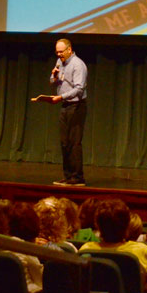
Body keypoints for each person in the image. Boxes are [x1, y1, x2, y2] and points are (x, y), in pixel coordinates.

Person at [49, 38, 88, 187]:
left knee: (74, 142)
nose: (59, 55)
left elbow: (79, 89)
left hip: (77, 106)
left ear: (69, 50)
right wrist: (54, 76)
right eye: (57, 52)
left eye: (61, 52)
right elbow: (53, 82)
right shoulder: (60, 63)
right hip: (65, 105)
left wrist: (61, 97)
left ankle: (78, 177)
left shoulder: (78, 65)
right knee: (64, 142)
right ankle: (68, 175)